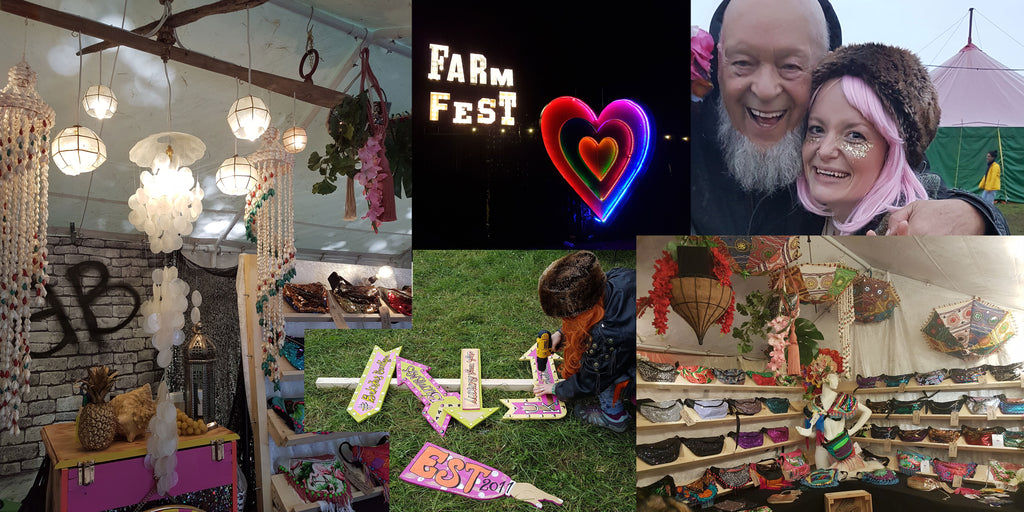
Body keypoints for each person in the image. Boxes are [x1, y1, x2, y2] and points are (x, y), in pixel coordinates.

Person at [690, 0, 1009, 235]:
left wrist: (977, 216)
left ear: (820, 72)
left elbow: (915, 185)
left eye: (791, 66)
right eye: (742, 62)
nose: (765, 89)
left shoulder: (830, 160)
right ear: (719, 63)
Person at [797, 43, 936, 235]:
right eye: (817, 129)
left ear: (891, 153)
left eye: (854, 136)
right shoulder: (796, 216)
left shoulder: (906, 236)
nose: (825, 150)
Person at [533, 251, 635, 432]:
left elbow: (591, 381)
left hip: (650, 367)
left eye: (569, 318)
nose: (567, 322)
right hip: (645, 343)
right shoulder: (617, 278)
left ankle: (614, 416)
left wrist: (556, 388)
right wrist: (562, 333)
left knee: (607, 369)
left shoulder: (609, 336)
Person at [796, 372, 872, 470]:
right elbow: (817, 435)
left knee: (843, 481)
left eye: (838, 378)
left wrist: (852, 431)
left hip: (841, 446)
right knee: (823, 478)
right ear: (824, 379)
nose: (837, 380)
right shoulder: (813, 405)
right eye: (834, 377)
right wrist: (809, 433)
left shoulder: (844, 400)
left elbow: (867, 412)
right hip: (822, 448)